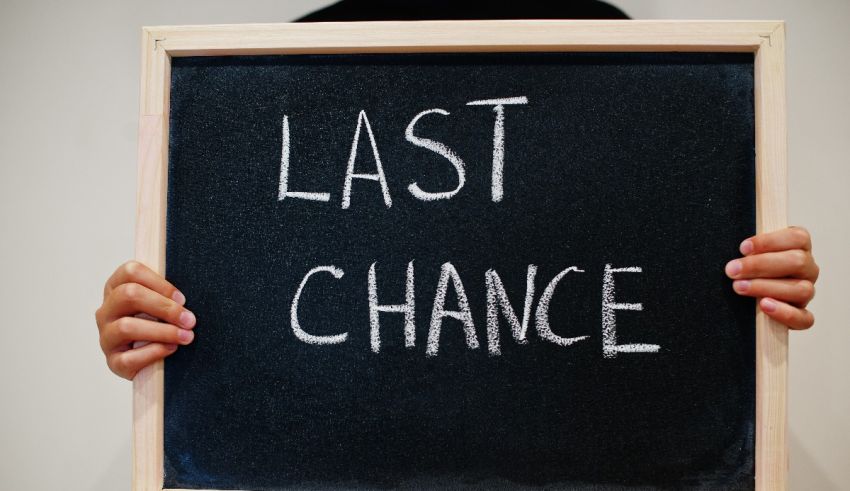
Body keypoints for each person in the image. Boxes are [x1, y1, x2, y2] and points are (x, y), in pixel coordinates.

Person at [95, 0, 819, 380]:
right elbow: (229, 298)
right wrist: (147, 327)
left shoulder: (613, 45)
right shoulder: (287, 63)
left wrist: (757, 278)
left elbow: (671, 270)